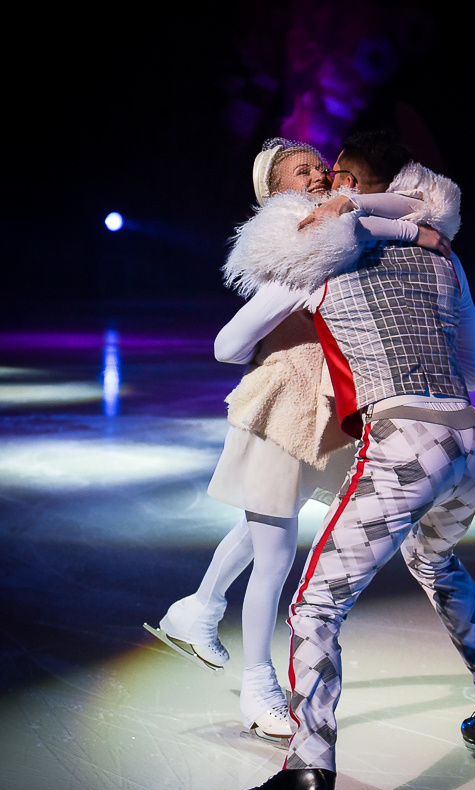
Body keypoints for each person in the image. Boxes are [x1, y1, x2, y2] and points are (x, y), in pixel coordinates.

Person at [227, 131, 475, 790]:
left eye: (334, 174)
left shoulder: (315, 251)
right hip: (473, 441)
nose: (325, 183)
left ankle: (306, 774)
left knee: (313, 608)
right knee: (434, 559)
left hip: (405, 446)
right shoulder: (442, 252)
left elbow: (229, 342)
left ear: (350, 183)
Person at [145, 136, 451, 742]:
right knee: (278, 549)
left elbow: (400, 207)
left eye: (320, 167)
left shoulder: (340, 231)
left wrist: (414, 232)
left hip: (325, 413)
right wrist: (285, 326)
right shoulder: (300, 254)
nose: (317, 176)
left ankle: (199, 608)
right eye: (301, 172)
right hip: (283, 408)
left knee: (267, 522)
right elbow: (226, 346)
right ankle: (259, 684)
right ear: (276, 194)